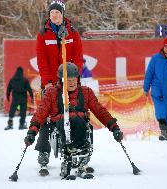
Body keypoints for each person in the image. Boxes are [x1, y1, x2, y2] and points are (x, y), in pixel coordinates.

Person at [24, 63, 123, 179]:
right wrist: (32, 131)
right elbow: (41, 113)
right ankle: (68, 158)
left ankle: (82, 157)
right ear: (61, 81)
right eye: (68, 80)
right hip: (60, 123)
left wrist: (114, 127)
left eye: (74, 80)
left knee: (79, 120)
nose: (72, 83)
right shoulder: (52, 93)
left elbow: (100, 111)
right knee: (63, 121)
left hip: (80, 123)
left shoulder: (86, 92)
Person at [35, 0, 84, 172]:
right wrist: (48, 82)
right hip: (50, 83)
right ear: (49, 15)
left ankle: (81, 148)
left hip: (70, 80)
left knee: (76, 113)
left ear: (62, 14)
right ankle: (43, 151)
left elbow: (78, 57)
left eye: (57, 12)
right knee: (46, 116)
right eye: (51, 13)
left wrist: (74, 78)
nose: (54, 15)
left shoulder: (72, 32)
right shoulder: (43, 34)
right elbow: (41, 61)